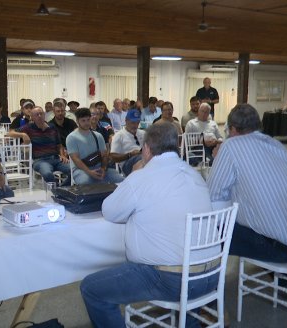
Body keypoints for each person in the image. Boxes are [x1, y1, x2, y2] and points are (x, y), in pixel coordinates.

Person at [80, 122, 216, 327]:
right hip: (211, 276)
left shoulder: (141, 178)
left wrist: (134, 174)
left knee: (91, 288)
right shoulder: (194, 174)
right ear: (176, 146)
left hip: (171, 279)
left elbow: (110, 210)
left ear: (146, 149)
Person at [207, 104, 287, 263]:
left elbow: (213, 194)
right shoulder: (275, 144)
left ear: (232, 129)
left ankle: (203, 283)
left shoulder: (230, 145)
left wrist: (218, 159)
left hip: (283, 250)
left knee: (209, 228)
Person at [8, 106, 71, 186]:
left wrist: (62, 155)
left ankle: (61, 188)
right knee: (47, 174)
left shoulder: (52, 127)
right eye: (36, 115)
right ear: (32, 117)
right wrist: (23, 134)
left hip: (56, 158)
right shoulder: (29, 127)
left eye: (41, 114)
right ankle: (58, 189)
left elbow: (59, 145)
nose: (39, 116)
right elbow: (10, 133)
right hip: (40, 160)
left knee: (73, 171)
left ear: (44, 115)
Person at [66, 108, 123, 185]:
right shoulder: (71, 137)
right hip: (80, 170)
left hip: (99, 167)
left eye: (88, 120)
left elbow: (104, 156)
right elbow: (76, 159)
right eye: (83, 120)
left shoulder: (98, 136)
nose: (86, 123)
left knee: (120, 179)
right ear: (77, 121)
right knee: (86, 182)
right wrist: (89, 172)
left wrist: (103, 168)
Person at [110, 109, 145, 176]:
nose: (135, 125)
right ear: (126, 120)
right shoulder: (119, 136)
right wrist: (129, 155)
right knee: (141, 158)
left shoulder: (143, 133)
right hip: (127, 163)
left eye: (137, 123)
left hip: (143, 159)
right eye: (132, 122)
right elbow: (113, 157)